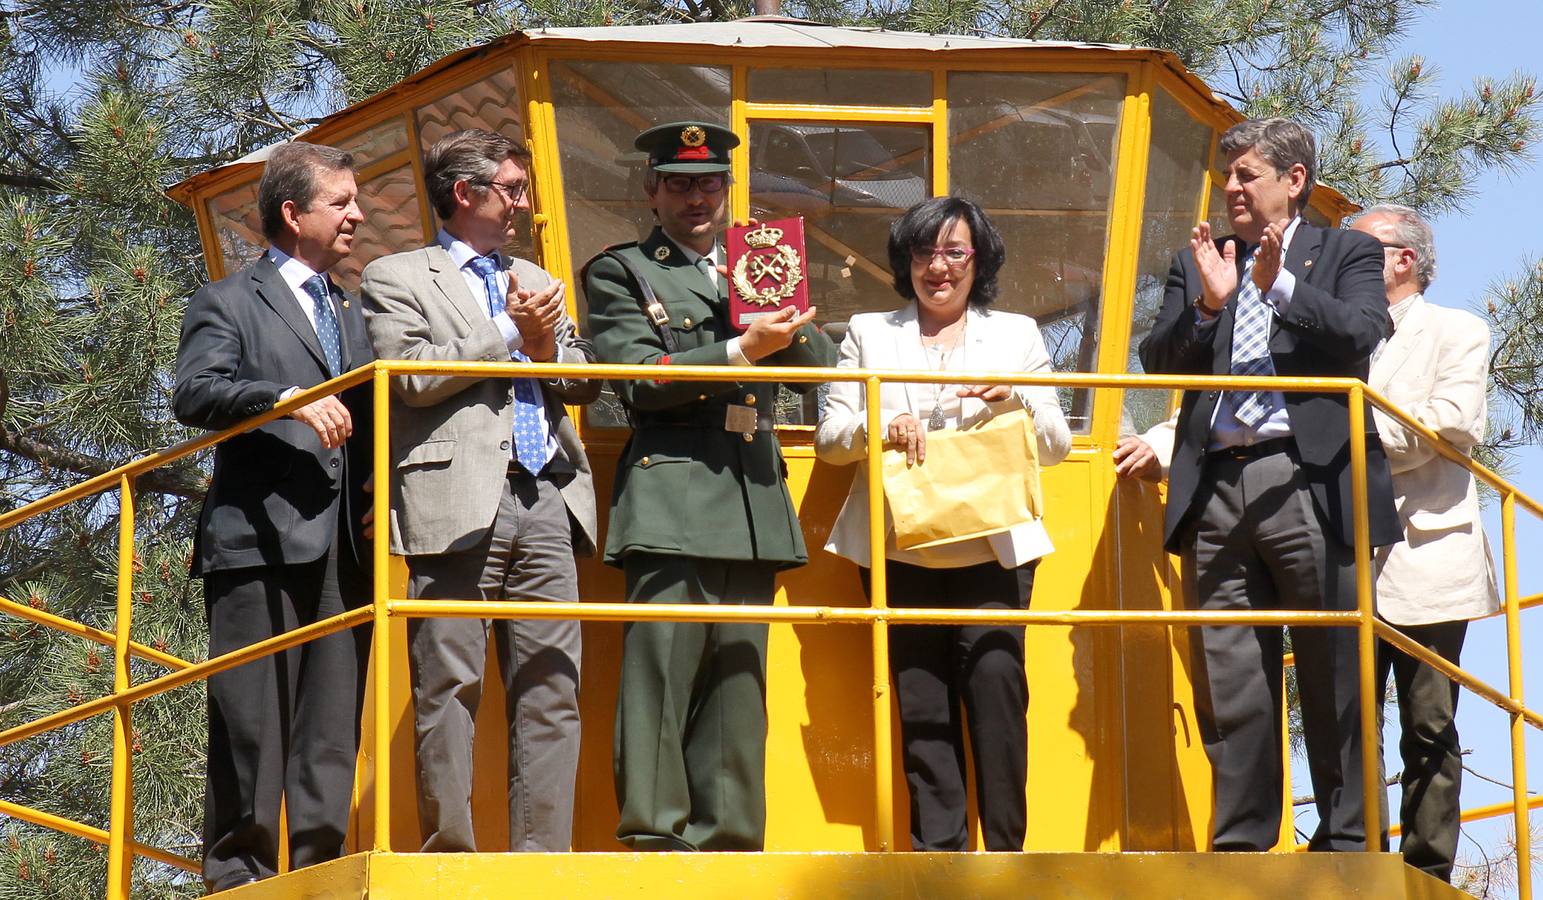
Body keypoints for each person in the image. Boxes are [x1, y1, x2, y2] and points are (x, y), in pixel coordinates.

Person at [1137, 117, 1400, 852]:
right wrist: (1211, 304)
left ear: (1293, 181)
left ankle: (1347, 839)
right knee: (1230, 673)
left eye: (1244, 175)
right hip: (1214, 484)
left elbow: (1358, 334)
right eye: (1226, 177)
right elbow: (1159, 361)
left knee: (1334, 668)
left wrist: (1275, 285)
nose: (1229, 190)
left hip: (1306, 478)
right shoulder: (1197, 263)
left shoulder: (1345, 249)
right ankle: (1241, 846)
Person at [582, 120, 836, 851]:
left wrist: (777, 298)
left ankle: (729, 842)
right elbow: (638, 378)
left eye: (709, 184)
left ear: (727, 191)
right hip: (675, 490)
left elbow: (814, 365)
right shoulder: (622, 269)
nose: (696, 198)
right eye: (680, 184)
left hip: (752, 494)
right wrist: (738, 347)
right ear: (651, 190)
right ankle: (655, 839)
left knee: (737, 682)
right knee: (659, 675)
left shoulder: (753, 263)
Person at [360, 129, 599, 853]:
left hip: (548, 496)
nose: (525, 205)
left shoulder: (536, 276)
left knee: (553, 689)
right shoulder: (397, 274)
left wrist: (546, 344)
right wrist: (505, 329)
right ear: (465, 194)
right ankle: (451, 857)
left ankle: (541, 858)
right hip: (456, 502)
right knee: (448, 684)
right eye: (513, 189)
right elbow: (411, 374)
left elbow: (578, 376)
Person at [815, 196, 1071, 851]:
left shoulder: (1014, 335)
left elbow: (1054, 447)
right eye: (924, 252)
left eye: (953, 251)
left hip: (992, 546)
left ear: (976, 259)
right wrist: (880, 425)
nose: (938, 266)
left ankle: (1007, 855)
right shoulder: (871, 332)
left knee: (995, 690)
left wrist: (1012, 397)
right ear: (905, 259)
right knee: (920, 704)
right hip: (900, 548)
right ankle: (938, 862)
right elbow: (831, 438)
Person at [172, 141, 374, 891]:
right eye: (341, 202)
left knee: (331, 725)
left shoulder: (352, 309)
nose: (358, 215)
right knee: (250, 723)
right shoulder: (228, 300)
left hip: (342, 550)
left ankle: (318, 874)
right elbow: (195, 391)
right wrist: (279, 401)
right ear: (292, 214)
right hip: (255, 540)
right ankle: (239, 875)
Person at [1351, 204, 1499, 881]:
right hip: (1342, 553)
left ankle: (1424, 874)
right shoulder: (1337, 338)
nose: (1337, 266)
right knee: (1345, 721)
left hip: (1425, 555)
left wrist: (1342, 437)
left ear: (1401, 259)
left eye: (1355, 252)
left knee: (1427, 721)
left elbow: (1448, 424)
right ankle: (1347, 860)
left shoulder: (1457, 330)